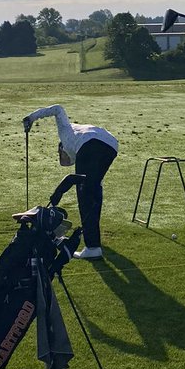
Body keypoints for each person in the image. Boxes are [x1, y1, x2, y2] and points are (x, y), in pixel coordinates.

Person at [22, 104, 118, 260]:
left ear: (61, 148)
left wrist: (31, 118)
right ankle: (93, 239)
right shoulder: (77, 138)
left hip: (91, 144)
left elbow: (58, 109)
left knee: (85, 196)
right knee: (94, 189)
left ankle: (93, 246)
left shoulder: (65, 133)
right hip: (111, 146)